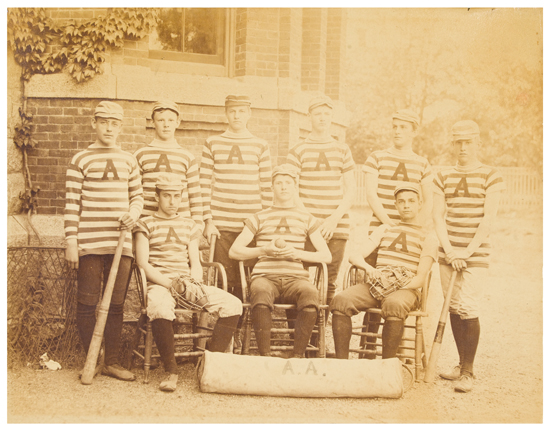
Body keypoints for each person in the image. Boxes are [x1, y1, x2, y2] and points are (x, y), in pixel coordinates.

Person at [134, 173, 243, 392]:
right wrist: (168, 283)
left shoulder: (189, 224)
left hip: (187, 283)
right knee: (159, 307)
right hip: (161, 283)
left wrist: (194, 282)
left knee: (234, 304)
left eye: (176, 196)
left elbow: (195, 261)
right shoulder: (145, 224)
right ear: (157, 198)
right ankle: (171, 370)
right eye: (167, 196)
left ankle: (209, 361)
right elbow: (143, 263)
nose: (172, 202)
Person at [64, 101, 143, 381]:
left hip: (121, 242)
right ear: (94, 123)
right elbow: (72, 204)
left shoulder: (129, 160)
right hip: (89, 241)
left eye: (115, 123)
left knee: (117, 304)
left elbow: (138, 197)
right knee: (87, 303)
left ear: (120, 127)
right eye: (104, 122)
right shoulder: (80, 160)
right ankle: (92, 358)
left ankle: (111, 361)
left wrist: (132, 215)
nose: (109, 127)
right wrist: (71, 241)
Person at [228, 164, 332, 358]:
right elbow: (234, 251)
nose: (284, 187)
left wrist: (297, 254)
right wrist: (263, 250)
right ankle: (265, 356)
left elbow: (326, 256)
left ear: (295, 187)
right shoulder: (259, 217)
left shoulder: (307, 218)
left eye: (288, 183)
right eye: (279, 183)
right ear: (272, 188)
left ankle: (298, 356)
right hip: (265, 277)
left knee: (311, 294)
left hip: (296, 279)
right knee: (259, 292)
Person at [433, 120, 504, 393]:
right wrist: (450, 250)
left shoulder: (491, 175)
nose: (463, 147)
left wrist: (466, 251)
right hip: (448, 252)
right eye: (458, 142)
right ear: (453, 144)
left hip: (475, 252)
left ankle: (469, 372)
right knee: (452, 306)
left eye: (469, 142)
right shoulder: (443, 175)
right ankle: (460, 365)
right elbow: (438, 216)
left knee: (468, 306)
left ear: (478, 144)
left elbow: (488, 219)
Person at [330, 183, 438, 361]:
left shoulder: (428, 237)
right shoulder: (385, 229)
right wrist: (370, 269)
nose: (406, 205)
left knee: (394, 304)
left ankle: (386, 367)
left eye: (411, 201)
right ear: (395, 205)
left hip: (406, 289)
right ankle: (343, 364)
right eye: (401, 201)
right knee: (341, 301)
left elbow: (420, 279)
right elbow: (355, 256)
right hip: (377, 284)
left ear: (420, 204)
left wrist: (394, 286)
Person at [200, 95, 273, 301]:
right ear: (226, 113)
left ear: (249, 114)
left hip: (250, 226)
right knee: (224, 279)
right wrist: (208, 221)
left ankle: (243, 326)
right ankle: (227, 327)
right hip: (222, 225)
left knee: (249, 279)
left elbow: (267, 186)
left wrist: (264, 224)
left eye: (241, 111)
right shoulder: (212, 142)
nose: (236, 115)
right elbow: (203, 182)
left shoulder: (260, 145)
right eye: (232, 111)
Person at [286, 94, 356, 309]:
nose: (322, 118)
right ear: (309, 117)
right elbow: (291, 188)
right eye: (318, 114)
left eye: (327, 114)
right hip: (305, 224)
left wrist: (333, 220)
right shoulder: (298, 149)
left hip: (336, 225)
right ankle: (302, 331)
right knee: (299, 277)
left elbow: (351, 189)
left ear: (332, 117)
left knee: (329, 279)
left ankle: (320, 332)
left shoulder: (342, 149)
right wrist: (310, 222)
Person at [133, 100, 202, 225]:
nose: (166, 125)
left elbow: (195, 194)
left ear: (177, 123)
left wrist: (198, 223)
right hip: (147, 224)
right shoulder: (141, 155)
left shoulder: (187, 156)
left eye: (170, 120)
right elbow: (134, 192)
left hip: (180, 225)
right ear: (153, 122)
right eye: (160, 120)